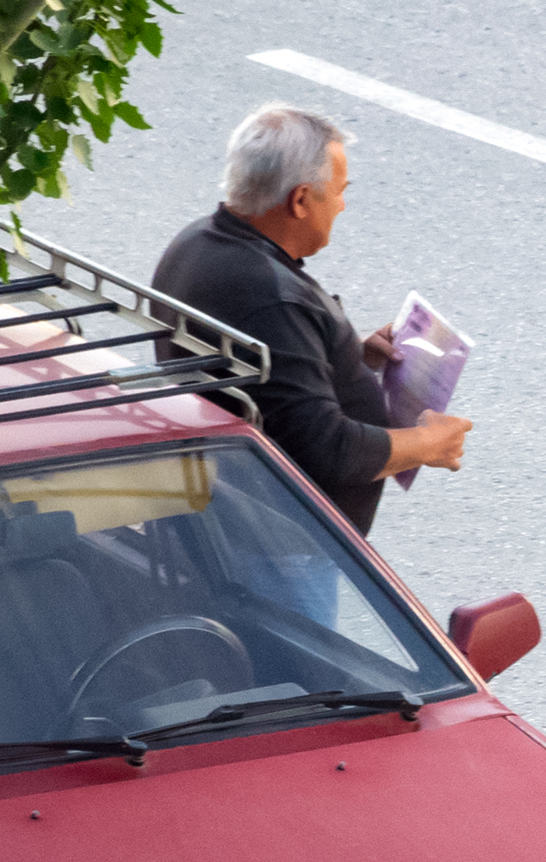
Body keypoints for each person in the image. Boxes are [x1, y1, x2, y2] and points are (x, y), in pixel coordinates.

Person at [151, 103, 472, 537]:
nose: (342, 205)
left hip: (220, 511)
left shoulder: (194, 245)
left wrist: (350, 359)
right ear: (301, 200)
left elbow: (263, 378)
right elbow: (327, 448)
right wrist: (428, 443)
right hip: (280, 544)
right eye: (339, 190)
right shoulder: (275, 299)